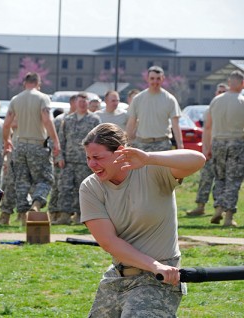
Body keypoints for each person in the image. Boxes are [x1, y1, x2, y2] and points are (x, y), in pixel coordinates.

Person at [80, 123, 205, 317]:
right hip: (119, 277)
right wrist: (153, 265)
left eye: (97, 157)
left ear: (120, 153)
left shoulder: (151, 170)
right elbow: (108, 241)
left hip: (160, 279)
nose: (92, 164)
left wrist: (149, 158)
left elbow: (198, 159)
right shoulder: (90, 188)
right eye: (88, 158)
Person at [2, 72, 60, 224]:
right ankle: (36, 203)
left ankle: (22, 215)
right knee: (45, 179)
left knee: (21, 180)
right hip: (37, 144)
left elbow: (7, 123)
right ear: (38, 83)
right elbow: (47, 120)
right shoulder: (42, 98)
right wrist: (55, 140)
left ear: (24, 83)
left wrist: (7, 140)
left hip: (19, 144)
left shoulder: (16, 99)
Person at [202, 70, 244, 227]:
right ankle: (228, 216)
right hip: (237, 143)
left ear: (229, 82)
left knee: (220, 178)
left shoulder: (216, 101)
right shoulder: (242, 101)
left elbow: (207, 127)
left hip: (218, 142)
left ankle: (218, 208)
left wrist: (206, 147)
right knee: (233, 180)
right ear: (242, 83)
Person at [54, 92, 100, 225]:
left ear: (88, 103)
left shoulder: (94, 120)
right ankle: (64, 216)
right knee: (65, 188)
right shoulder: (67, 120)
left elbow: (98, 141)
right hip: (68, 161)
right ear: (75, 103)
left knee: (83, 189)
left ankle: (81, 216)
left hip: (85, 161)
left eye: (85, 101)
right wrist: (59, 157)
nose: (82, 103)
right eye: (80, 101)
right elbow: (61, 140)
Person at [186, 83, 228, 217]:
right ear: (215, 93)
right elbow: (206, 131)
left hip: (224, 149)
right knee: (205, 177)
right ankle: (200, 206)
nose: (221, 93)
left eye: (223, 91)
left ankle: (219, 207)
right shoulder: (211, 109)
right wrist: (205, 149)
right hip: (210, 149)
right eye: (219, 91)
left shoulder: (229, 108)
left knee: (221, 180)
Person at [126, 65, 183, 152]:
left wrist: (180, 146)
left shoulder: (170, 99)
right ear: (147, 79)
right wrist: (128, 143)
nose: (155, 81)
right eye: (152, 78)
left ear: (163, 79)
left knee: (161, 166)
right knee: (142, 166)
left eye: (158, 78)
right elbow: (131, 123)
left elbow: (175, 125)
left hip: (162, 144)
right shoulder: (138, 99)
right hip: (142, 144)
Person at [47, 94, 78, 223]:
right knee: (57, 186)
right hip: (60, 158)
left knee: (71, 187)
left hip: (73, 159)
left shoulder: (80, 119)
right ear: (72, 103)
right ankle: (54, 212)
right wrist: (57, 156)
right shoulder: (60, 119)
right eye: (77, 102)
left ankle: (69, 213)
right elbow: (53, 139)